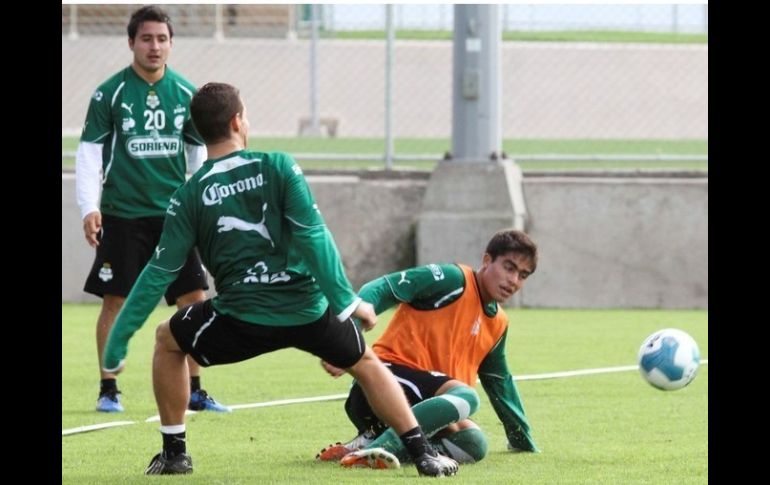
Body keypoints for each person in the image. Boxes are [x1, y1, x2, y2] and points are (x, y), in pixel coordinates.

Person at [102, 82, 459, 477]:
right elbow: (312, 235)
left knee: (168, 340)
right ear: (238, 121)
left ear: (199, 131)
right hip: (308, 311)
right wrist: (346, 301)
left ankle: (174, 453)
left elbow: (159, 272)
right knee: (367, 364)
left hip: (240, 319)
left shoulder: (188, 194)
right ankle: (423, 452)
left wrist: (118, 340)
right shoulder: (279, 165)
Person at [75, 6, 228, 414]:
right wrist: (89, 206)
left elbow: (197, 154)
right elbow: (89, 153)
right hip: (122, 215)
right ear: (131, 43)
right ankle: (109, 388)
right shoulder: (110, 94)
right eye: (146, 38)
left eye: (162, 39)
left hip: (174, 219)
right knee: (116, 299)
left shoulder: (185, 94)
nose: (154, 46)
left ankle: (195, 388)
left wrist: (200, 202)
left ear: (171, 44)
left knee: (193, 298)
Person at [316, 229, 539, 465]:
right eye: (509, 267)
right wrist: (345, 343)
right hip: (381, 383)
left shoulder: (498, 323)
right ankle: (376, 448)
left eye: (523, 275)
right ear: (486, 260)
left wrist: (522, 439)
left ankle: (371, 445)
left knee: (474, 443)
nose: (514, 280)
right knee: (466, 397)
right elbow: (381, 288)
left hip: (422, 404)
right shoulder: (453, 279)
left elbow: (500, 382)